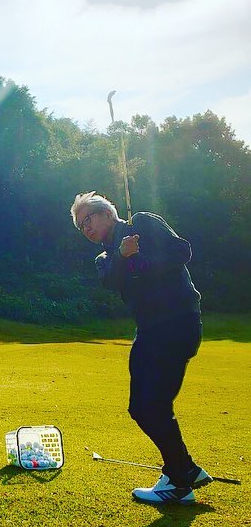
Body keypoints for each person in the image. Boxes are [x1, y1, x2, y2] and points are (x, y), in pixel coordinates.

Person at [70, 192, 209, 504]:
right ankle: (185, 469)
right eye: (81, 227)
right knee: (143, 407)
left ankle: (178, 479)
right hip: (151, 331)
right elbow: (111, 281)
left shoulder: (142, 222)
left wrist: (141, 255)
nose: (86, 229)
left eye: (88, 219)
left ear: (106, 213)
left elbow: (181, 251)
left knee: (149, 405)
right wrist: (124, 256)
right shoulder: (105, 259)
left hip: (176, 323)